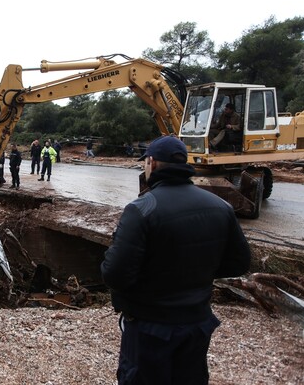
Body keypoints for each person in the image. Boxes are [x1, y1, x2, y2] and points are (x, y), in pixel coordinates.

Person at [100, 135, 251, 385]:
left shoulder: (141, 209)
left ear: (152, 163)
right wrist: (199, 273)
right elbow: (239, 263)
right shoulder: (220, 206)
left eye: (145, 163)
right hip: (197, 322)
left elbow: (114, 274)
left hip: (151, 326)